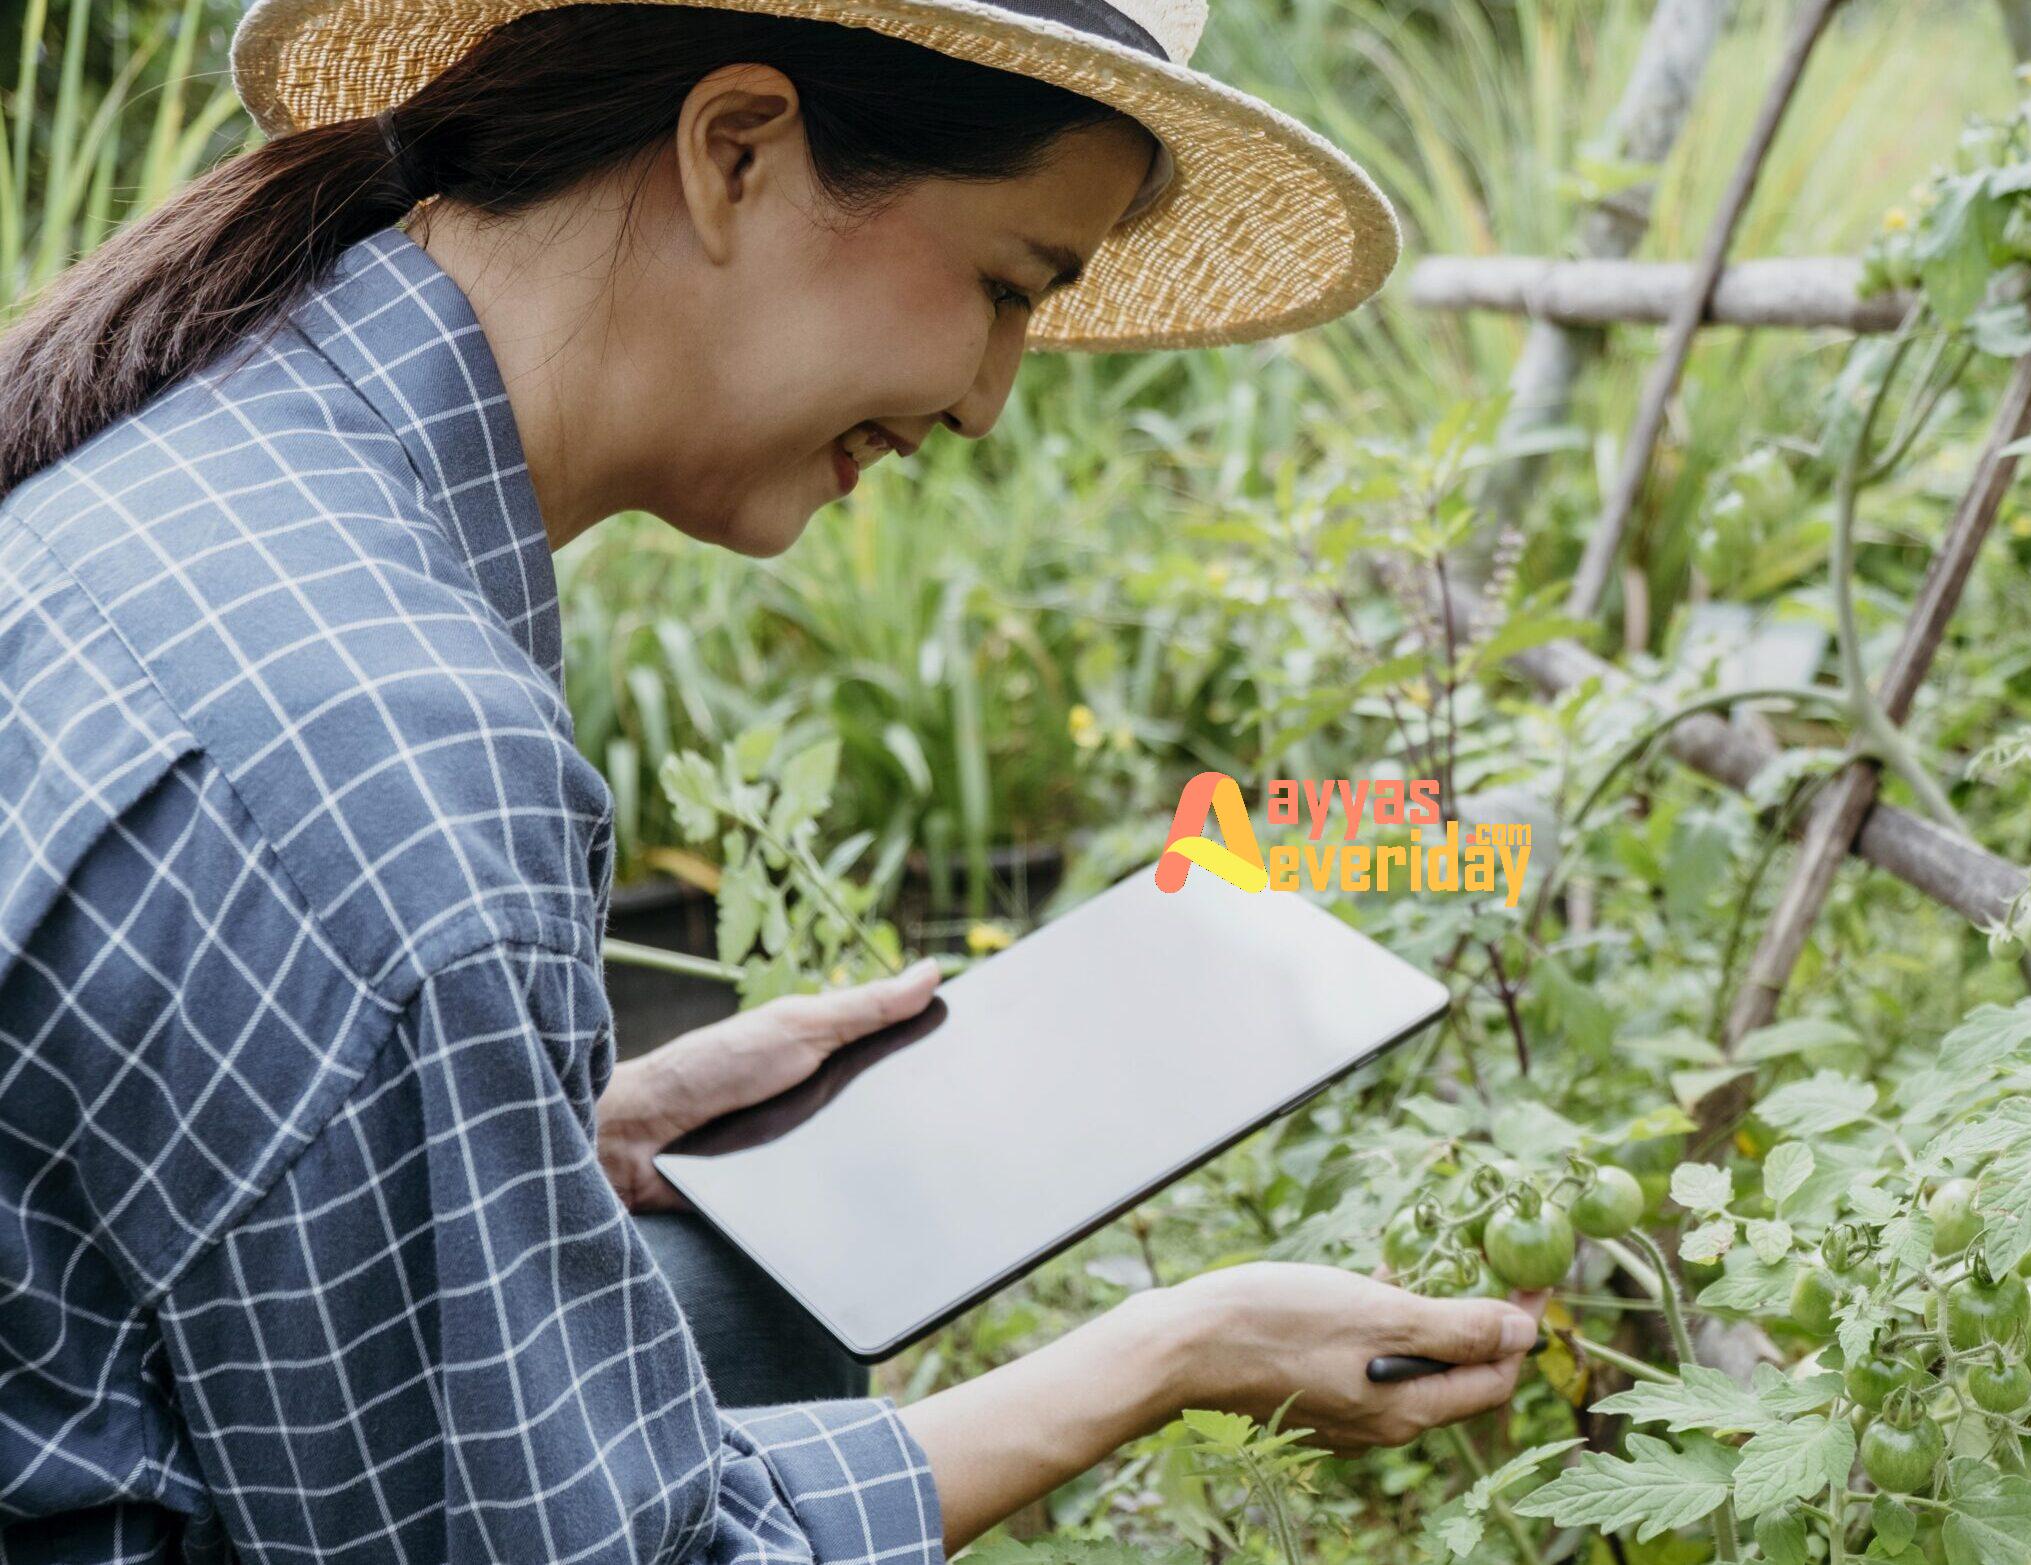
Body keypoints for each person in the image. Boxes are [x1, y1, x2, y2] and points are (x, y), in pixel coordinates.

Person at [0, 2, 1543, 1560]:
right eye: (1009, 286)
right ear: (737, 149)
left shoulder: (199, 457)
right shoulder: (396, 751)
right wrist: (1166, 1353)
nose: (989, 398)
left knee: (716, 1288)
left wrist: (573, 1127)